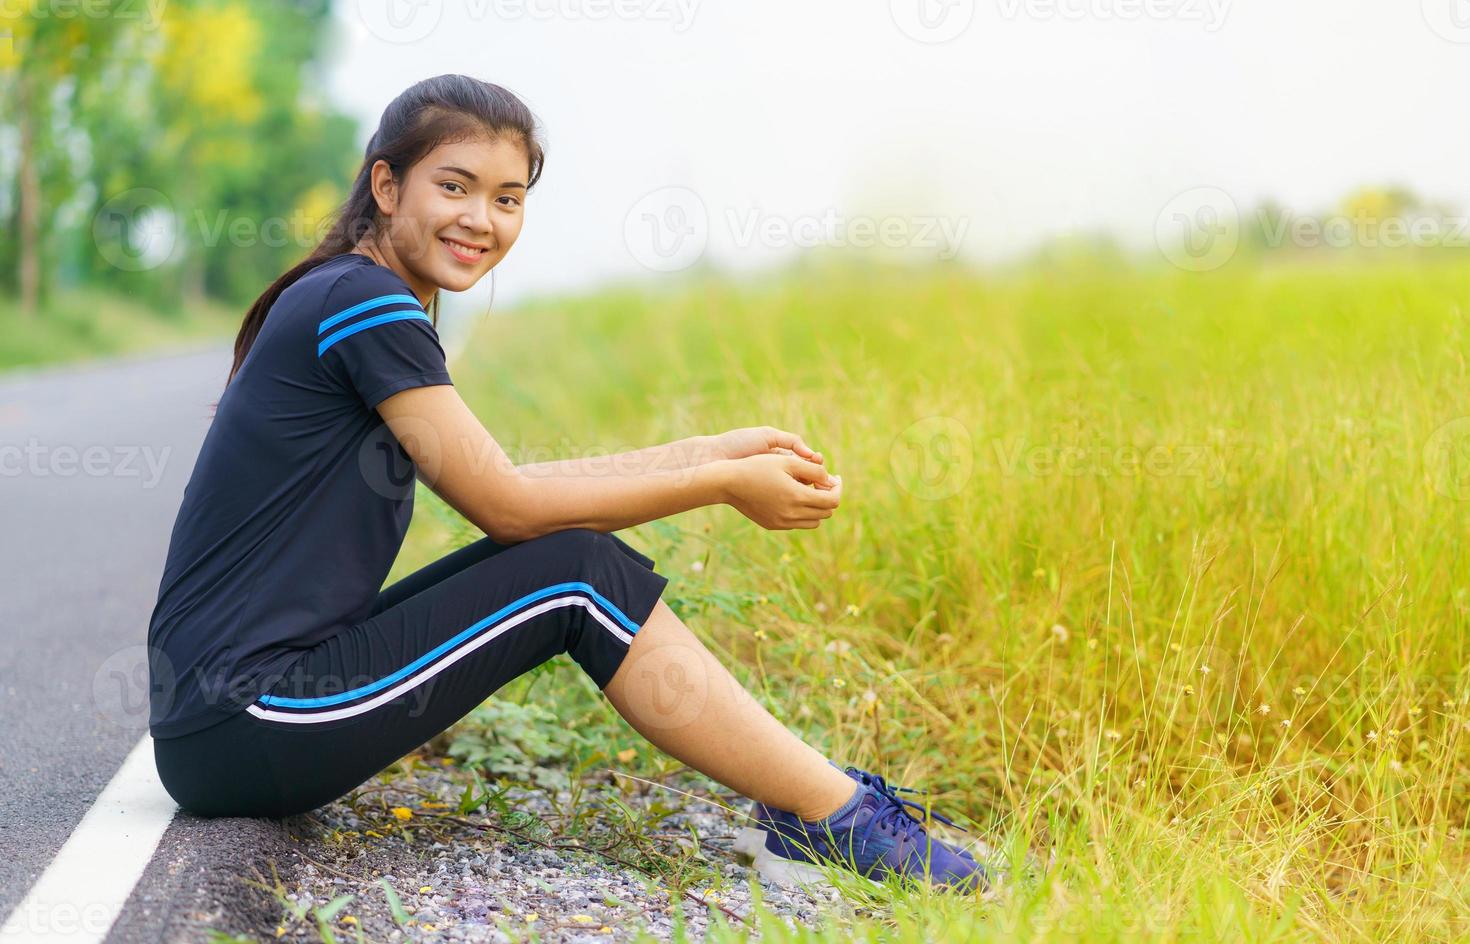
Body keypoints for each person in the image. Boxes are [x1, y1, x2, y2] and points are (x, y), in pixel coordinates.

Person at [146, 73, 988, 895]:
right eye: (456, 186)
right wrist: (722, 485)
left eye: (508, 198)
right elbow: (508, 506)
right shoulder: (368, 305)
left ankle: (819, 806)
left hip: (227, 722)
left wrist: (707, 450)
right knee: (576, 578)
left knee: (572, 560)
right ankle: (826, 815)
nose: (481, 219)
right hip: (249, 720)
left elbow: (506, 484)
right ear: (387, 185)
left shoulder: (349, 294)